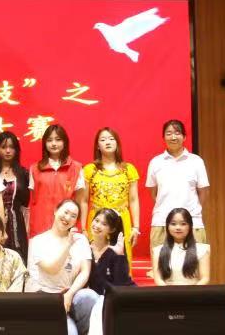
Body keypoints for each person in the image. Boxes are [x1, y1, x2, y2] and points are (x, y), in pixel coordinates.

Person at [27, 200, 99, 335]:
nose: (67, 218)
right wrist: (68, 245)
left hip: (70, 295)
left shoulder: (81, 239)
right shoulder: (38, 241)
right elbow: (51, 269)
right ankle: (70, 332)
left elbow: (85, 272)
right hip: (48, 297)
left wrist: (70, 293)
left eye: (73, 216)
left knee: (90, 296)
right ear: (56, 211)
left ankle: (81, 333)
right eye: (65, 212)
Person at [146, 119, 210, 247]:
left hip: (192, 222)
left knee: (195, 259)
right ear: (163, 137)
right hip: (162, 222)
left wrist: (193, 210)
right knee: (161, 260)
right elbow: (153, 193)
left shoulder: (196, 161)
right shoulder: (156, 162)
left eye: (177, 133)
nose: (173, 137)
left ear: (184, 137)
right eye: (169, 133)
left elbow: (203, 192)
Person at [81, 128, 141, 262]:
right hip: (97, 220)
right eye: (103, 140)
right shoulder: (89, 170)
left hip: (121, 220)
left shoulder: (128, 169)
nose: (107, 142)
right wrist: (83, 228)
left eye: (111, 139)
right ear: (97, 145)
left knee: (120, 260)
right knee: (95, 259)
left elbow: (133, 200)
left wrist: (136, 227)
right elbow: (84, 201)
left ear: (117, 143)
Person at [27, 124, 86, 239]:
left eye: (58, 139)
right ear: (44, 143)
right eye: (49, 140)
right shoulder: (35, 168)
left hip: (66, 225)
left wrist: (82, 228)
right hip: (40, 227)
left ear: (65, 142)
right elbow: (33, 202)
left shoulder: (76, 168)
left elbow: (80, 202)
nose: (54, 144)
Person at [0, 132, 31, 255]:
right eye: (3, 147)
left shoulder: (23, 174)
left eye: (11, 147)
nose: (8, 151)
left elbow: (26, 204)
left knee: (18, 257)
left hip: (17, 222)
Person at [153, 208, 211, 286]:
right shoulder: (158, 250)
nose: (178, 227)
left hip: (194, 291)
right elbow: (158, 279)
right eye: (173, 224)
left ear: (190, 226)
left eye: (183, 224)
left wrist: (192, 291)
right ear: (167, 226)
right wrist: (167, 292)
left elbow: (205, 278)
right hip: (167, 292)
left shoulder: (202, 249)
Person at [86, 208, 135, 296]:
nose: (97, 225)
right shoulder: (84, 247)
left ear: (112, 230)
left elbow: (122, 283)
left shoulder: (115, 250)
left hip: (113, 297)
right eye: (96, 220)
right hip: (90, 297)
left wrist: (120, 256)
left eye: (104, 224)